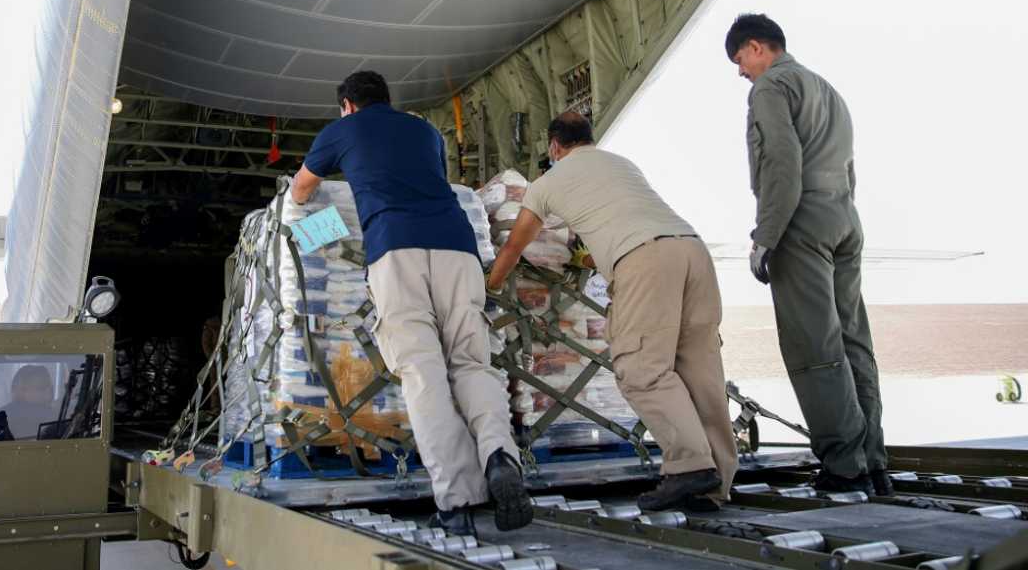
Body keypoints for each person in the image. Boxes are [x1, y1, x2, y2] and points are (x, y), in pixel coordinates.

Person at [290, 71, 531, 537]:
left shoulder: (342, 130)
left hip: (396, 250)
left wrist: (305, 204)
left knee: (423, 371)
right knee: (472, 363)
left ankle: (458, 498)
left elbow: (302, 189)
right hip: (458, 248)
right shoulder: (425, 132)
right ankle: (500, 457)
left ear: (347, 106)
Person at [487, 112, 738, 512]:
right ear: (590, 139)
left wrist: (490, 287)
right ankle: (715, 485)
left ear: (554, 147)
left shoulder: (547, 183)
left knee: (640, 368)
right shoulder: (623, 165)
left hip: (644, 259)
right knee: (701, 373)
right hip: (692, 250)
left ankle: (690, 466)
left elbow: (514, 247)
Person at [726, 13, 890, 496]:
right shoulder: (827, 89)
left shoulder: (771, 87)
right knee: (853, 341)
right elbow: (849, 168)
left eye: (739, 59)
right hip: (844, 218)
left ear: (757, 47)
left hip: (800, 221)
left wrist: (766, 235)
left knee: (814, 346)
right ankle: (873, 462)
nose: (741, 71)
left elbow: (781, 161)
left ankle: (844, 466)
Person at [1, 365, 58, 440]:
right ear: (22, 390)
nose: (49, 391)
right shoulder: (53, 417)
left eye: (49, 387)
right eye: (41, 388)